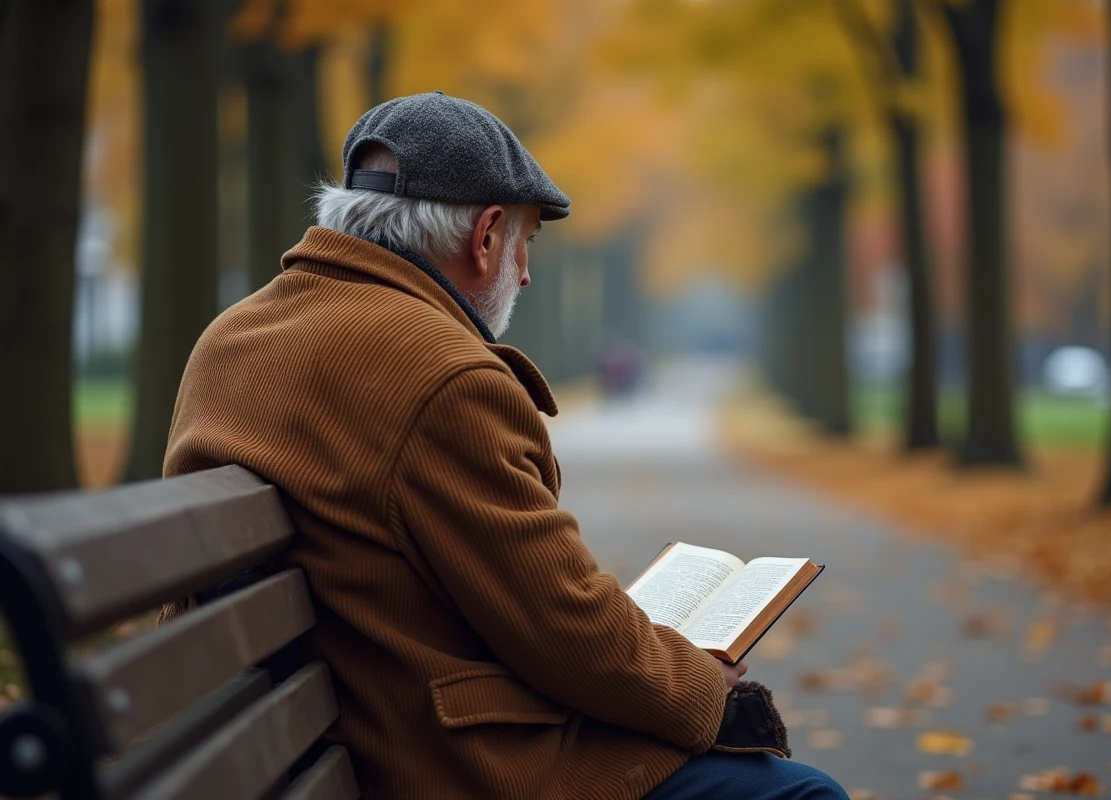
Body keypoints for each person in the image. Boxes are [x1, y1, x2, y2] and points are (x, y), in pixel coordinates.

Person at [162, 92, 848, 800]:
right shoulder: (439, 375)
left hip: (301, 740)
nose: (523, 274)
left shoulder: (228, 340)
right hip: (442, 766)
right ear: (485, 236)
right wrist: (701, 684)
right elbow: (564, 629)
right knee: (803, 795)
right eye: (525, 245)